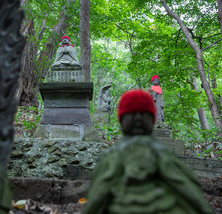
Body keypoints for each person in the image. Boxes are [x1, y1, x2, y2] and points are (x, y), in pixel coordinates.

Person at [82, 89, 214, 214]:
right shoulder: (113, 155)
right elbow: (99, 192)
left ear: (152, 120)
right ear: (122, 121)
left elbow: (183, 184)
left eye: (143, 114)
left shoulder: (160, 152)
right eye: (132, 114)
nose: (138, 118)